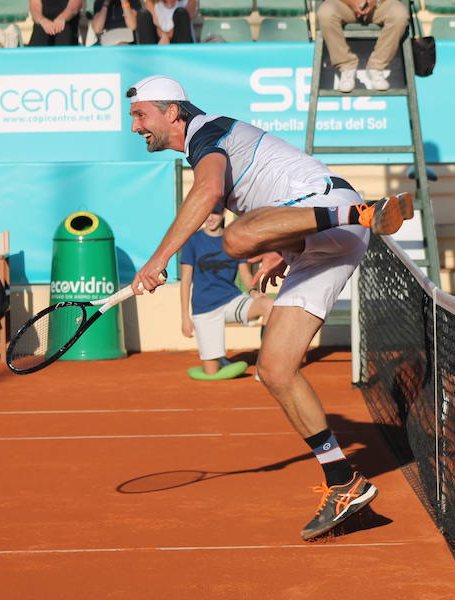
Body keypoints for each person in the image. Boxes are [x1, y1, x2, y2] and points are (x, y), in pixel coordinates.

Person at [126, 75, 413, 540]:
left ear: (172, 112)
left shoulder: (207, 133)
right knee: (275, 369)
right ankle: (344, 481)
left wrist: (157, 260)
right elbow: (265, 201)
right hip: (322, 242)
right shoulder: (203, 140)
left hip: (337, 211)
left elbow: (207, 194)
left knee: (236, 237)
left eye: (141, 116)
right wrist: (285, 245)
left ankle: (366, 211)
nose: (136, 126)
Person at [180, 209, 274, 380]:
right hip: (204, 308)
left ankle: (265, 365)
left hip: (231, 300)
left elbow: (244, 272)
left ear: (223, 214)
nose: (210, 217)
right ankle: (218, 360)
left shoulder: (233, 240)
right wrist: (185, 317)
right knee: (211, 372)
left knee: (269, 305)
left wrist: (253, 292)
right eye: (206, 213)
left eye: (215, 213)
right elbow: (186, 280)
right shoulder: (193, 241)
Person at [316, 0, 409, 93]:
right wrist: (351, 2)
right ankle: (347, 67)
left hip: (380, 6)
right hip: (344, 5)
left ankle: (376, 67)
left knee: (399, 14)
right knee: (326, 12)